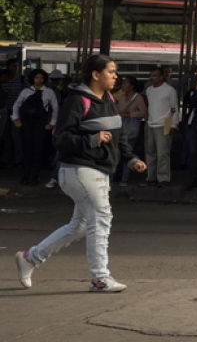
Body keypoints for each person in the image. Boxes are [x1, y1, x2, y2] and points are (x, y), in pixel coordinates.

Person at [14, 54, 147, 293]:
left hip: (97, 171)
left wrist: (131, 159)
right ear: (96, 75)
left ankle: (30, 258)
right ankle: (99, 278)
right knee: (101, 218)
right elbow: (60, 138)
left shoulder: (107, 98)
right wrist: (92, 140)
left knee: (81, 225)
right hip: (80, 170)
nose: (116, 77)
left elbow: (118, 135)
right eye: (111, 72)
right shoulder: (77, 101)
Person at [11, 69, 59, 186]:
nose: (39, 80)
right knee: (26, 149)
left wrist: (52, 123)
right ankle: (26, 175)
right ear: (32, 79)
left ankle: (35, 176)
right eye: (37, 78)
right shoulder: (25, 91)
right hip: (27, 123)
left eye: (41, 78)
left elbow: (55, 108)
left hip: (41, 123)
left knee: (38, 149)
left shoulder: (49, 92)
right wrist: (15, 119)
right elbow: (17, 104)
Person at [144, 66, 178, 187]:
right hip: (151, 122)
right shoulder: (149, 90)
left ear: (162, 77)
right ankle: (151, 176)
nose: (152, 78)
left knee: (163, 152)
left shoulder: (169, 90)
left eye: (154, 75)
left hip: (165, 122)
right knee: (150, 151)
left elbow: (174, 108)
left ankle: (163, 178)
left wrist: (173, 124)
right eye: (151, 75)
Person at [115, 76, 148, 186]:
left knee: (128, 152)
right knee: (118, 152)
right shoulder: (122, 97)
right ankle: (116, 177)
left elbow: (143, 112)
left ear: (132, 86)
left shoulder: (138, 98)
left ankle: (125, 178)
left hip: (132, 126)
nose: (123, 86)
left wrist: (130, 114)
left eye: (125, 84)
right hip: (121, 126)